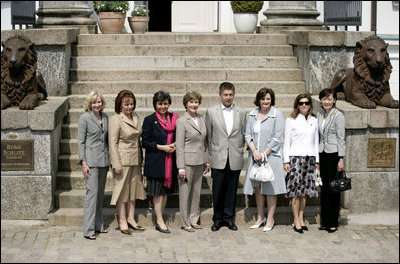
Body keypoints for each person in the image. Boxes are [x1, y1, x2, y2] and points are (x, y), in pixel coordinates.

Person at [205, 82, 247, 231]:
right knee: (217, 190)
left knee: (231, 190)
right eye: (225, 95)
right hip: (218, 156)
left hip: (234, 155)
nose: (228, 97)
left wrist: (239, 149)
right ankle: (217, 219)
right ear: (220, 94)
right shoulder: (211, 112)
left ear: (234, 95)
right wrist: (208, 157)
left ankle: (229, 218)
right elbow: (209, 136)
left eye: (230, 95)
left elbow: (243, 134)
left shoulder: (241, 112)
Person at [243, 88, 286, 232]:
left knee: (270, 189)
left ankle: (270, 219)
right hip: (255, 156)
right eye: (263, 99)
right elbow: (248, 135)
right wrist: (255, 151)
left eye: (268, 99)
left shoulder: (277, 115)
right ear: (259, 100)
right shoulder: (252, 114)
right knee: (257, 188)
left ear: (271, 99)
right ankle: (260, 217)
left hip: (271, 157)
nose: (265, 101)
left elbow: (277, 137)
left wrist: (264, 153)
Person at [109, 90, 146, 235]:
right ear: (120, 105)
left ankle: (131, 218)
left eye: (131, 104)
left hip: (135, 158)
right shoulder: (116, 119)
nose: (129, 107)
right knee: (121, 191)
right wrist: (116, 163)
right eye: (126, 104)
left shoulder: (135, 116)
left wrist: (141, 158)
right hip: (122, 159)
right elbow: (112, 142)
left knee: (133, 190)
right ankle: (122, 220)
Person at [142, 90, 179, 234]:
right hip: (156, 161)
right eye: (160, 104)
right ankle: (159, 220)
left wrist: (175, 144)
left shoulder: (175, 118)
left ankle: (160, 218)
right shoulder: (150, 120)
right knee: (157, 192)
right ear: (155, 105)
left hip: (170, 162)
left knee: (165, 193)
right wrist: (162, 147)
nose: (163, 106)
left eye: (165, 103)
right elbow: (145, 142)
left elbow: (179, 136)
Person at [283, 93, 319, 234]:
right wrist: (286, 160)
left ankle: (301, 217)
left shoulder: (314, 120)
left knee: (305, 192)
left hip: (309, 158)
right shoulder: (291, 120)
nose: (304, 105)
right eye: (301, 103)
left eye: (306, 103)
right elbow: (286, 142)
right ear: (297, 105)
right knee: (295, 192)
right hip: (295, 158)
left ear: (310, 105)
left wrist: (317, 161)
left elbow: (316, 142)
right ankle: (295, 220)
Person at [77, 91, 110, 240]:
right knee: (92, 195)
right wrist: (83, 162)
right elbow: (80, 142)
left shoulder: (106, 117)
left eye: (99, 102)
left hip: (103, 161)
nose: (97, 105)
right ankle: (89, 230)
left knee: (100, 195)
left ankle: (99, 225)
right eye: (94, 102)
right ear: (89, 104)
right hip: (90, 161)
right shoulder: (84, 118)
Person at [176, 91, 210, 232]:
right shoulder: (182, 121)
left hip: (200, 160)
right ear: (186, 104)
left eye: (196, 102)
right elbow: (179, 145)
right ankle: (185, 222)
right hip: (187, 162)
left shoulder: (202, 119)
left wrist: (207, 161)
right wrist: (181, 167)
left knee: (196, 193)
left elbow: (205, 142)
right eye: (191, 102)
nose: (194, 105)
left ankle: (194, 219)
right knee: (185, 194)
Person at [317, 88, 345, 233]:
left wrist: (341, 158)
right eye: (324, 99)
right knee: (324, 189)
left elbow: (341, 138)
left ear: (334, 100)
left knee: (333, 188)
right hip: (322, 153)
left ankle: (333, 222)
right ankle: (324, 221)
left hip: (334, 154)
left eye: (329, 99)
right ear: (321, 101)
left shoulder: (338, 115)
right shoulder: (320, 114)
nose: (326, 101)